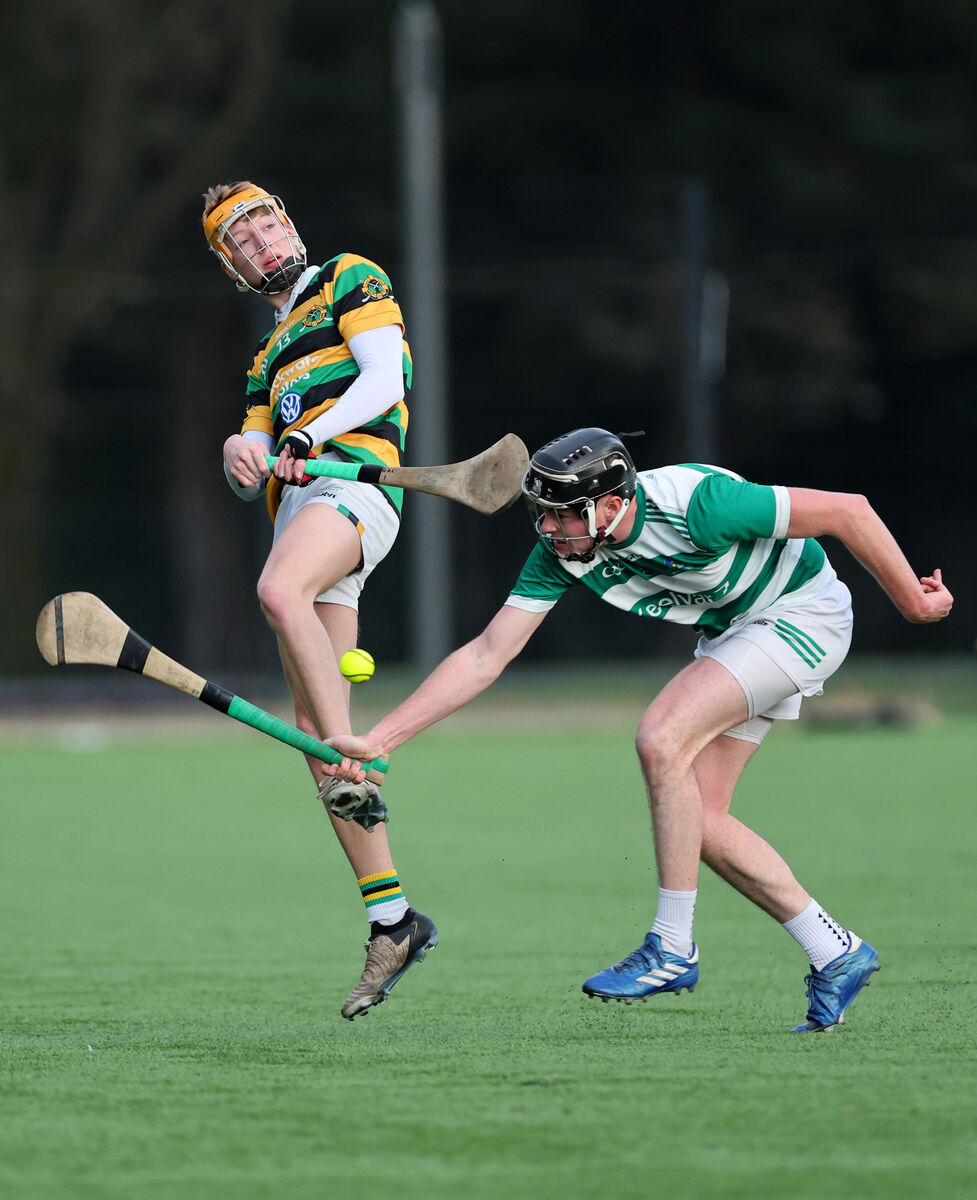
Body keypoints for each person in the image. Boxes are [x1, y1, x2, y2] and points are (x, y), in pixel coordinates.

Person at [326, 427, 953, 1032]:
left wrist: (914, 602)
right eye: (541, 513)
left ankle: (673, 947)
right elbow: (488, 655)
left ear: (613, 502)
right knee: (697, 820)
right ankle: (835, 951)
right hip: (736, 634)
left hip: (801, 613)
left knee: (661, 738)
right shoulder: (562, 552)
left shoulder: (701, 505)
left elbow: (850, 510)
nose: (548, 528)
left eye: (563, 514)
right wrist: (381, 739)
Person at [202, 181, 437, 1020]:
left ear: (291, 226)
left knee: (276, 592)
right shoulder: (265, 360)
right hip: (299, 512)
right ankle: (393, 918)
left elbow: (384, 378)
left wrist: (311, 436)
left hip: (357, 493)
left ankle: (350, 749)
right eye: (242, 239)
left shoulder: (348, 277)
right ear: (232, 268)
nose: (261, 242)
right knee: (311, 738)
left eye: (267, 223)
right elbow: (258, 456)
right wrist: (244, 449)